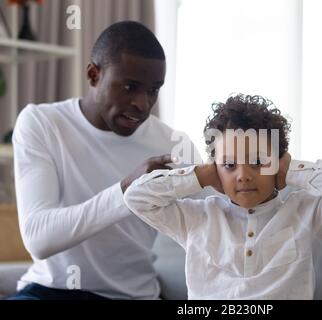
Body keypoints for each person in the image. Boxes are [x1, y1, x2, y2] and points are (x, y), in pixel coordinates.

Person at [8, 21, 200, 300]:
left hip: (134, 297)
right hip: (50, 291)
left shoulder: (173, 145)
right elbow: (39, 239)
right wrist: (126, 190)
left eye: (153, 90)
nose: (142, 104)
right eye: (130, 87)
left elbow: (220, 225)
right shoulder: (42, 123)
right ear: (93, 74)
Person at [123, 94, 322, 299]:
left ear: (277, 163)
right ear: (215, 168)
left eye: (258, 162)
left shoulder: (305, 212)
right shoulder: (196, 217)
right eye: (230, 165)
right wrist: (200, 175)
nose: (243, 175)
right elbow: (136, 197)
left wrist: (291, 169)